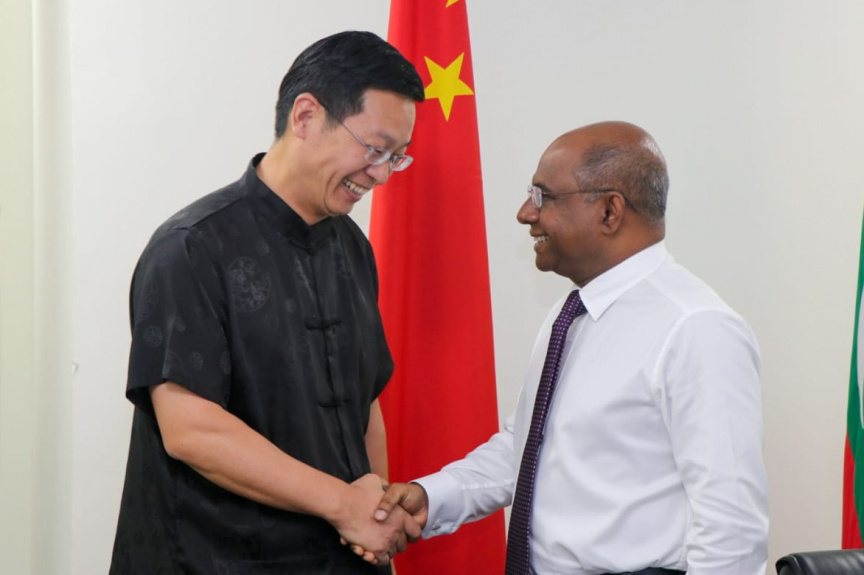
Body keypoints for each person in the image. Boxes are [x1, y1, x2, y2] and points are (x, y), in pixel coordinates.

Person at [370, 121, 769, 574]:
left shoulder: (696, 328)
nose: (525, 213)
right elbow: (529, 447)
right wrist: (432, 496)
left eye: (543, 196)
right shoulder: (573, 312)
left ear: (609, 211)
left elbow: (732, 531)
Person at [109, 31, 426, 574]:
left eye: (396, 157)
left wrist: (374, 522)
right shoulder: (192, 245)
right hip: (212, 559)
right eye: (373, 149)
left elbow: (364, 401)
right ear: (305, 116)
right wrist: (343, 504)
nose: (380, 174)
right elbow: (192, 429)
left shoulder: (353, 247)